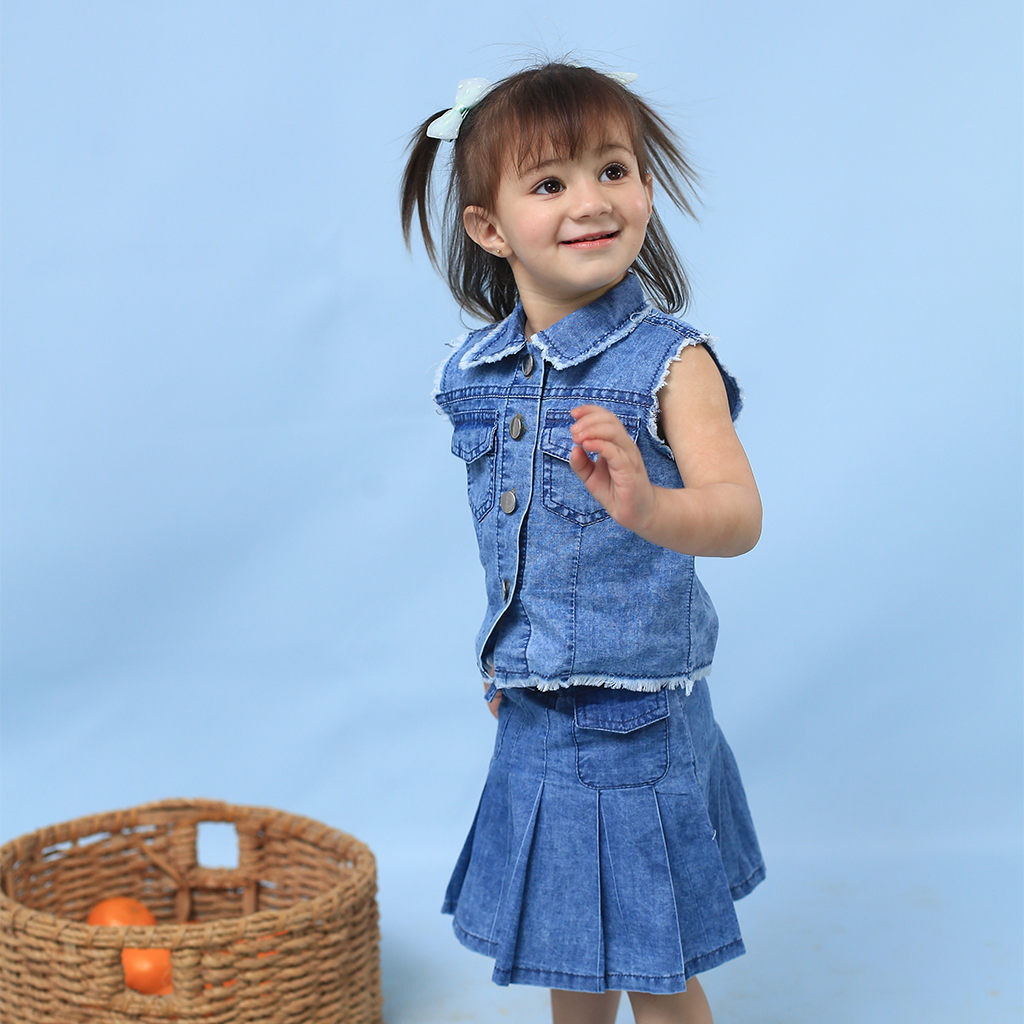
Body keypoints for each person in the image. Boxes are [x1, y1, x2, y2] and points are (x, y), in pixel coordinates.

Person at [401, 61, 765, 1024]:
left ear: (645, 186)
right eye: (550, 183)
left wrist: (649, 506)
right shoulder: (475, 373)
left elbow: (738, 513)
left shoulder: (671, 363)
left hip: (632, 726)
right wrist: (506, 662)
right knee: (571, 946)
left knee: (655, 963)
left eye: (613, 170)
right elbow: (512, 549)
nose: (592, 201)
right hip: (533, 713)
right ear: (490, 228)